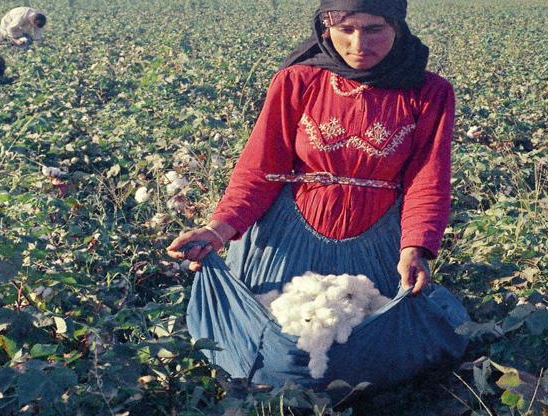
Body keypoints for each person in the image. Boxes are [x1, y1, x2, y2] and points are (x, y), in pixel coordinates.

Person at [167, 0, 467, 391]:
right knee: (277, 342)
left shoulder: (428, 93)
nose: (359, 43)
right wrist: (218, 230)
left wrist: (416, 249)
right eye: (346, 29)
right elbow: (259, 171)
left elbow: (428, 180)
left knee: (371, 346)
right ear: (326, 29)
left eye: (374, 29)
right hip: (286, 236)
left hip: (376, 244)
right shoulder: (297, 82)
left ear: (398, 27)